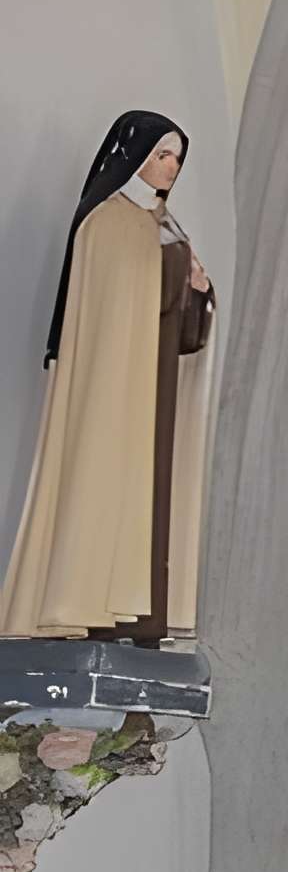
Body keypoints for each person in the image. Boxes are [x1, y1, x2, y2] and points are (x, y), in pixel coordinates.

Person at [2, 113, 217, 642]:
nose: (171, 167)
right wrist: (173, 273)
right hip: (112, 391)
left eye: (178, 159)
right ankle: (81, 608)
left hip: (153, 386)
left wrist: (200, 290)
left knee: (151, 491)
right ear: (136, 154)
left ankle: (138, 619)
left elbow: (184, 331)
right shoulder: (105, 223)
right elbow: (109, 312)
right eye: (163, 154)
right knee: (100, 480)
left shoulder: (169, 229)